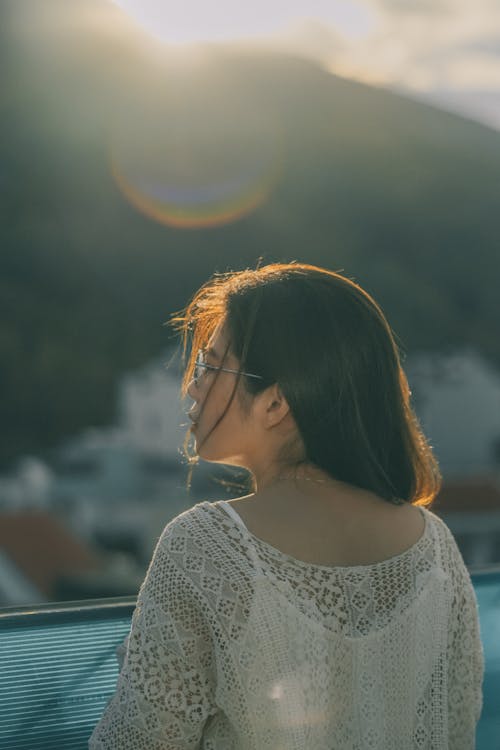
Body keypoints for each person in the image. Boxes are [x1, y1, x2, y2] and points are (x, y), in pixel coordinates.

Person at [89, 261, 484, 749]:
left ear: (276, 404)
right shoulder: (434, 548)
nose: (191, 386)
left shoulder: (208, 546)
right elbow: (456, 729)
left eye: (210, 367)